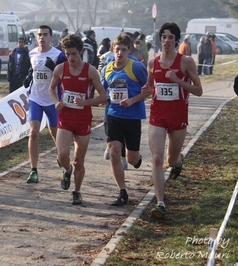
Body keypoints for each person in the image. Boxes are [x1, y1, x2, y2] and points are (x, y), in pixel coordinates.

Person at [142, 22, 203, 219]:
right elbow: (151, 88)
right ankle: (160, 203)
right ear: (160, 40)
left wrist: (178, 80)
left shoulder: (186, 62)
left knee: (171, 159)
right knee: (158, 158)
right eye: (164, 37)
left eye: (170, 37)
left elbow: (199, 90)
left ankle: (178, 163)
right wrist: (145, 91)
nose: (166, 41)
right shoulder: (153, 63)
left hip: (178, 117)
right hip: (157, 116)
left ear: (176, 40)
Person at [49, 34, 107, 205]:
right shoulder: (60, 69)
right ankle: (67, 170)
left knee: (79, 161)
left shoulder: (90, 71)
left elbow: (103, 96)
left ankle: (77, 191)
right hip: (65, 117)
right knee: (62, 155)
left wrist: (86, 102)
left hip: (83, 120)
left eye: (73, 54)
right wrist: (56, 102)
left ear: (80, 52)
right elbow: (52, 89)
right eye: (67, 54)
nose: (71, 58)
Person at [101, 33, 148, 206]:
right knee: (114, 153)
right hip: (114, 115)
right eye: (117, 49)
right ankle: (122, 192)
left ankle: (137, 158)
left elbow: (149, 89)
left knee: (131, 160)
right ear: (112, 50)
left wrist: (131, 100)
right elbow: (102, 90)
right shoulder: (106, 68)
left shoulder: (136, 67)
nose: (119, 53)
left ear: (129, 51)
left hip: (133, 117)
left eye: (123, 50)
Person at [25, 25, 67, 183]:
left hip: (52, 100)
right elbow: (33, 69)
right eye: (39, 35)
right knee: (34, 132)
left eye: (45, 35)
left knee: (55, 132)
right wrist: (29, 76)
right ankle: (33, 170)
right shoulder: (32, 53)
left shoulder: (58, 55)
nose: (42, 37)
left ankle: (60, 155)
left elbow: (65, 76)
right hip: (35, 97)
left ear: (51, 38)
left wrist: (54, 69)